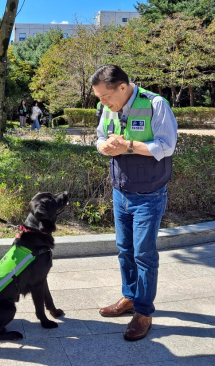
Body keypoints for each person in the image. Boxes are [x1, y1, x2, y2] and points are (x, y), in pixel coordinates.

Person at [92, 65, 177, 342]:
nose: (102, 102)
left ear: (122, 87)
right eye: (99, 98)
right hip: (121, 191)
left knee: (144, 254)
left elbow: (167, 145)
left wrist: (128, 145)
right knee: (124, 250)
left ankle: (143, 312)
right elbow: (101, 135)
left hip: (149, 194)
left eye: (105, 96)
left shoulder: (155, 104)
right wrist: (103, 146)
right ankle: (129, 297)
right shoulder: (108, 107)